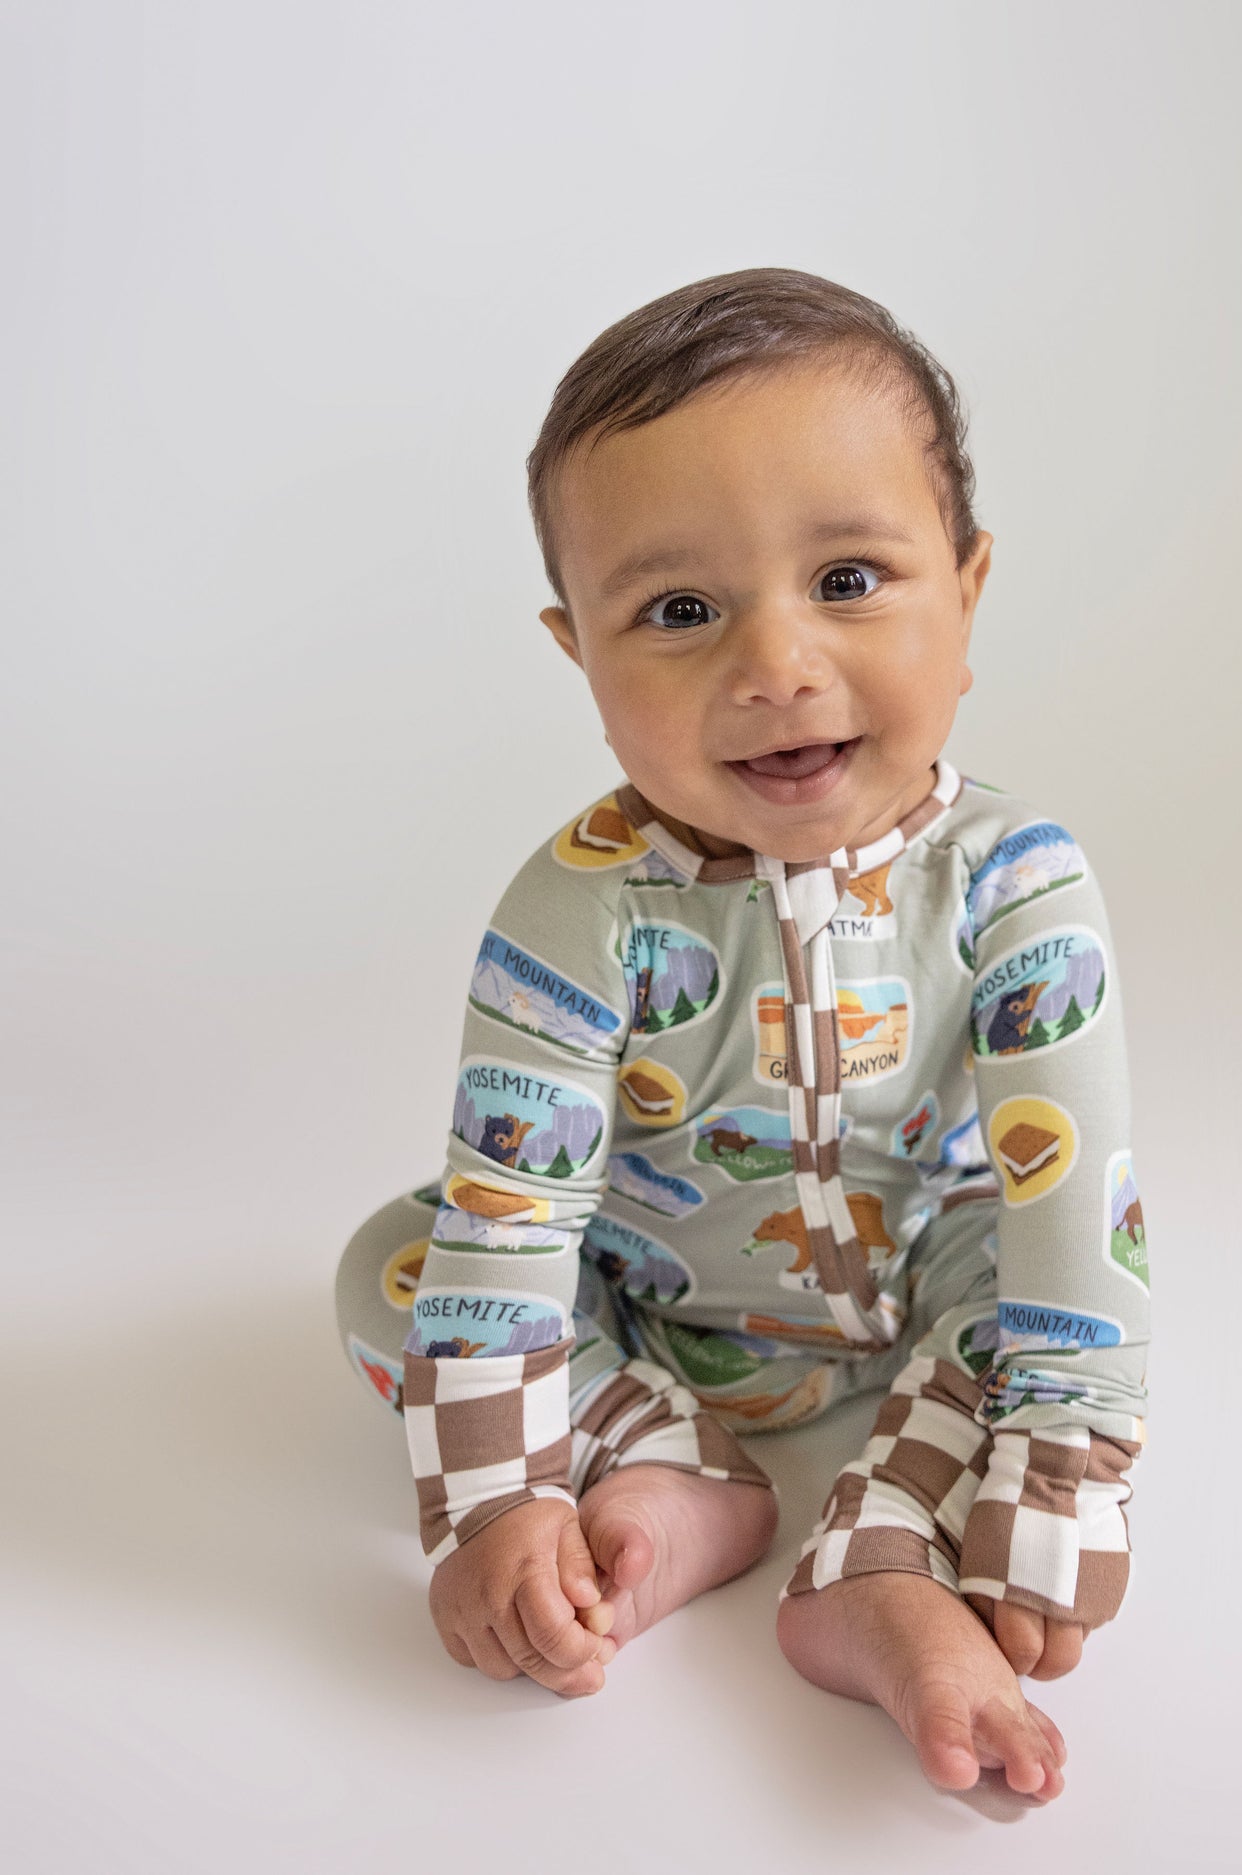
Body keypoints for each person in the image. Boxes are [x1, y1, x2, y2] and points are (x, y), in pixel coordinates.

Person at [333, 266, 1149, 1799]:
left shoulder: (1018, 883)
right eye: (682, 611)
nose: (775, 668)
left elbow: (1076, 1209)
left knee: (1027, 1281)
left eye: (848, 580)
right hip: (649, 1288)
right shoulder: (579, 907)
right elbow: (512, 1221)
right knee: (397, 1262)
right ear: (579, 649)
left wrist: (1055, 1490)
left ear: (967, 594)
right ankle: (663, 1465)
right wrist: (496, 1503)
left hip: (930, 1276)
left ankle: (880, 1571)